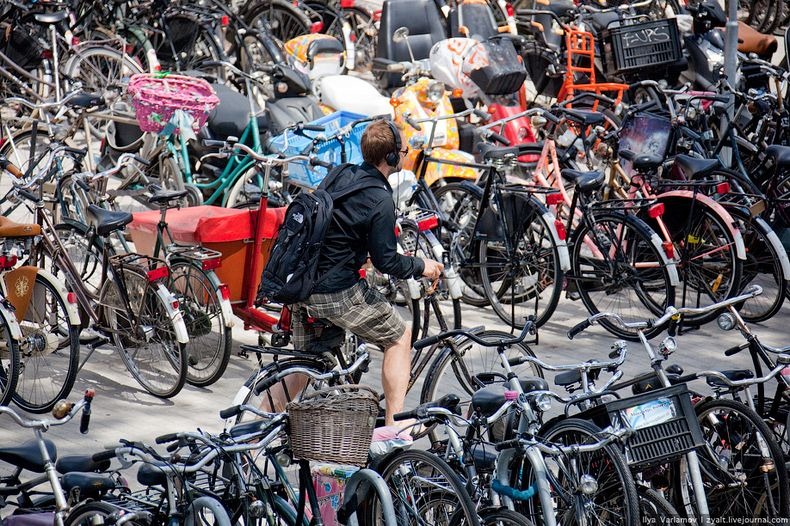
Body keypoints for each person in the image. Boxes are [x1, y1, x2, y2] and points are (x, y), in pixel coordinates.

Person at [291, 119, 444, 433]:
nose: (404, 155)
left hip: (303, 283)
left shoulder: (341, 173)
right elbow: (388, 261)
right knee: (400, 336)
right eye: (402, 151)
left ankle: (255, 427)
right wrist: (422, 266)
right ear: (390, 158)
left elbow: (342, 228)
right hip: (336, 291)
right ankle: (393, 428)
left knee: (303, 366)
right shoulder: (381, 199)